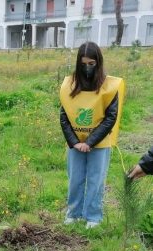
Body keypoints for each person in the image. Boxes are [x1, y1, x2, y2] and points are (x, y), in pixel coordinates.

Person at [59, 41, 124, 229]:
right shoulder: (69, 85)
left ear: (98, 62)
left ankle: (93, 216)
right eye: (83, 64)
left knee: (96, 179)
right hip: (75, 144)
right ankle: (73, 213)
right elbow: (64, 117)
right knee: (75, 179)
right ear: (78, 63)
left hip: (100, 143)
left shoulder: (109, 87)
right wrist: (74, 142)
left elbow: (111, 117)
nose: (87, 68)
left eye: (91, 64)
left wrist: (90, 142)